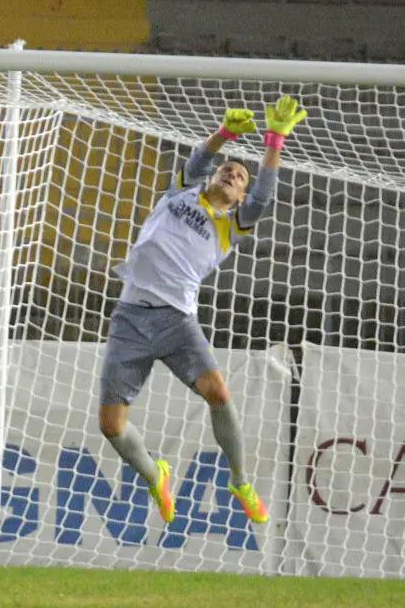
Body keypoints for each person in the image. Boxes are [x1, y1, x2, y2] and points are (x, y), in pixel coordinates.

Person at [98, 96, 307, 525]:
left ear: (241, 197)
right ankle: (155, 475)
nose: (231, 173)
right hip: (130, 317)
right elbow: (199, 159)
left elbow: (263, 196)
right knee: (111, 427)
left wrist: (274, 140)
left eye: (240, 177)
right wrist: (224, 134)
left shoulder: (231, 225)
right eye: (227, 169)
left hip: (177, 320)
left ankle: (240, 481)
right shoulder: (181, 192)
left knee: (219, 393)